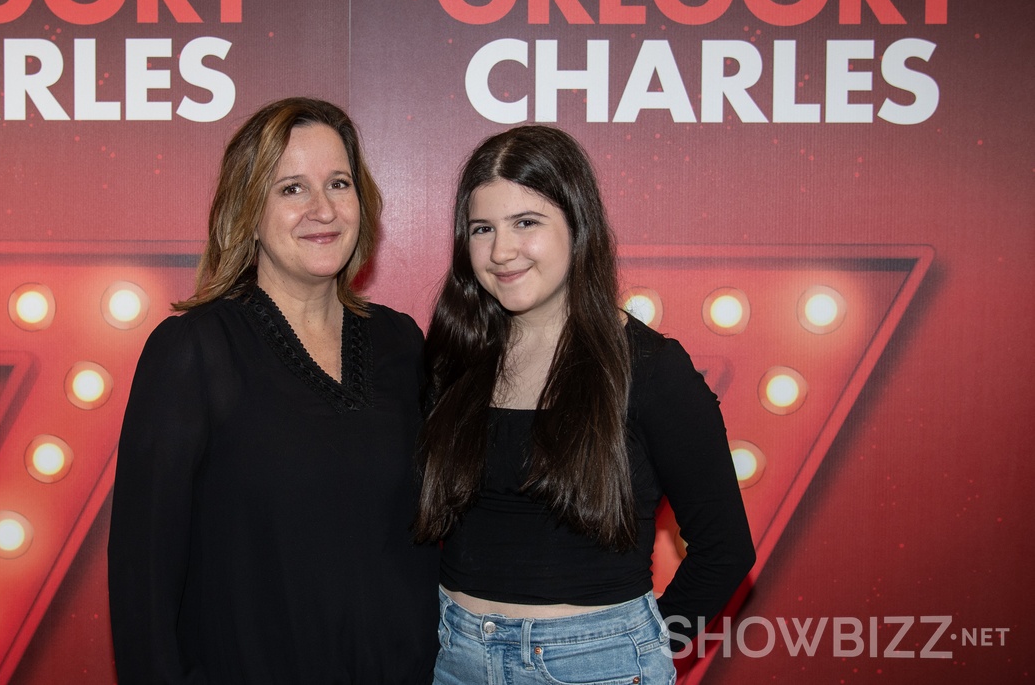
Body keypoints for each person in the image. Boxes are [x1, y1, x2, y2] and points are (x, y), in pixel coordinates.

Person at [108, 97, 438, 684]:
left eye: (338, 183)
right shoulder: (193, 351)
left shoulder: (400, 342)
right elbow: (144, 584)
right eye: (291, 189)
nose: (322, 209)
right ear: (247, 211)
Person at [414, 125, 755, 684]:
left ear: (578, 225)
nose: (502, 251)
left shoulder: (649, 367)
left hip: (597, 666)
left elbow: (725, 550)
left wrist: (633, 650)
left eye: (526, 222)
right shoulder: (455, 359)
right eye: (483, 228)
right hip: (456, 657)